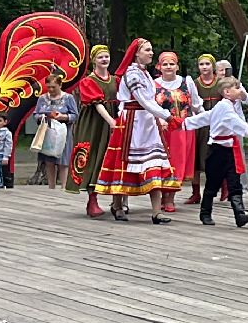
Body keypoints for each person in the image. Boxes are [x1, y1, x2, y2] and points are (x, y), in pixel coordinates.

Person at [93, 39, 178, 223]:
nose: (151, 53)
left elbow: (151, 100)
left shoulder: (145, 73)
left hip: (147, 122)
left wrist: (162, 117)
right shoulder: (132, 73)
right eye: (147, 50)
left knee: (154, 162)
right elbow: (142, 100)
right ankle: (117, 205)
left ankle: (156, 212)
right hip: (133, 122)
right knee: (124, 163)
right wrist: (167, 117)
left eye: (151, 49)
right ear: (137, 53)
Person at [182, 76, 248, 227]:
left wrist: (187, 123)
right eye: (237, 88)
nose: (240, 90)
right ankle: (205, 213)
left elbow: (207, 117)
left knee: (235, 182)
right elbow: (234, 122)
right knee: (213, 183)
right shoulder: (224, 107)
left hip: (230, 150)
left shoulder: (230, 105)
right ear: (227, 92)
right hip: (217, 150)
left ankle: (239, 214)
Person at [66, 45, 118, 218]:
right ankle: (92, 199)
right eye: (100, 57)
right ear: (94, 60)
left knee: (110, 156)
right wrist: (110, 120)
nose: (104, 60)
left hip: (112, 119)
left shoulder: (115, 80)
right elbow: (97, 104)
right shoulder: (89, 81)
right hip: (94, 123)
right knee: (93, 154)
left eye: (106, 56)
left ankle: (117, 200)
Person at [152, 51, 202, 214]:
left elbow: (195, 105)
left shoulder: (186, 82)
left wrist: (206, 119)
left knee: (177, 163)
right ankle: (160, 196)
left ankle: (170, 198)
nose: (168, 67)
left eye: (171, 63)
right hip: (162, 130)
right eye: (165, 64)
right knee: (160, 162)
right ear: (159, 67)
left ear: (177, 66)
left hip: (181, 130)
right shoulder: (154, 84)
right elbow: (149, 106)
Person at [189, 54, 227, 204]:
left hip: (217, 123)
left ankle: (225, 189)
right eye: (201, 64)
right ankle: (195, 193)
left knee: (218, 156)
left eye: (207, 64)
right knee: (197, 158)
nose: (204, 67)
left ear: (213, 66)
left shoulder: (221, 83)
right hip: (200, 124)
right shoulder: (195, 83)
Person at [32, 75, 76, 189]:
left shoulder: (68, 98)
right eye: (49, 87)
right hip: (47, 132)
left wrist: (63, 117)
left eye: (54, 87)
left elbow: (75, 115)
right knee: (48, 160)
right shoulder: (42, 98)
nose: (51, 90)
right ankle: (51, 186)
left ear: (60, 85)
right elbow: (35, 114)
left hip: (63, 132)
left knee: (63, 160)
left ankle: (64, 186)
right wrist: (41, 116)